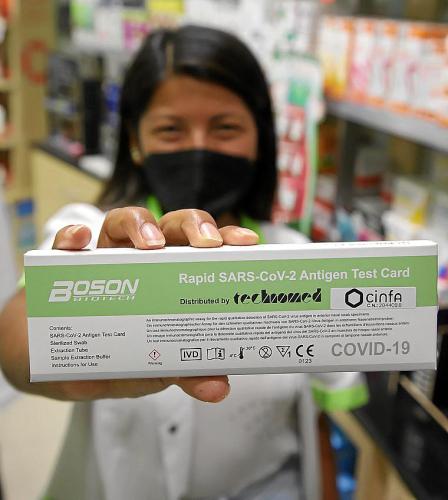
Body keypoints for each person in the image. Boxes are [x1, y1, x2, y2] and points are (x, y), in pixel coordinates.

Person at [0, 25, 367, 500]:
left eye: (225, 127)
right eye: (171, 129)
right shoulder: (90, 235)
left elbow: (319, 425)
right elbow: (17, 340)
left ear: (260, 138)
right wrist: (79, 330)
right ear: (135, 140)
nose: (199, 147)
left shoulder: (301, 261)